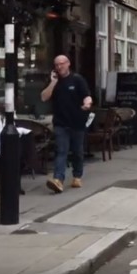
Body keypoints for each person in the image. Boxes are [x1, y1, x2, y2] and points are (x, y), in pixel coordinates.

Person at [40, 55, 92, 194]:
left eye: (62, 64)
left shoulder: (77, 79)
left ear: (68, 64)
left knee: (77, 152)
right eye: (56, 65)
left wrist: (87, 103)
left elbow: (86, 95)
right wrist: (52, 83)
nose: (59, 67)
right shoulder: (53, 81)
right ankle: (58, 180)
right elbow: (44, 97)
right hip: (60, 123)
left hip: (77, 122)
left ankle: (77, 176)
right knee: (61, 151)